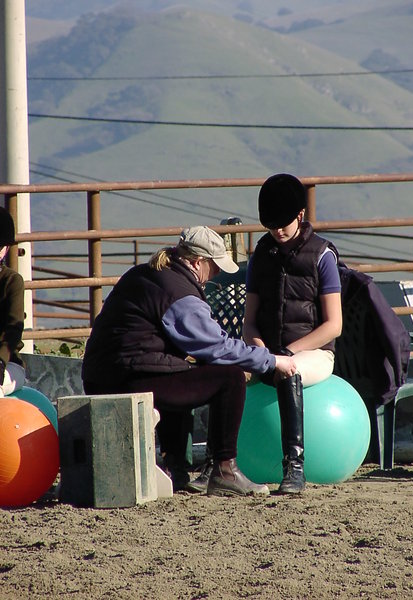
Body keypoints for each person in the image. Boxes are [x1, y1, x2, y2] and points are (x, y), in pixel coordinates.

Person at [82, 225, 297, 497]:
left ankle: (176, 468)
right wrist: (272, 361)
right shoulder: (179, 293)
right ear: (197, 262)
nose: (216, 274)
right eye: (214, 267)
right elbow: (217, 347)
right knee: (229, 377)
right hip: (128, 380)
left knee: (180, 369)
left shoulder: (147, 273)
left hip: (102, 376)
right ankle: (225, 470)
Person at [243, 173, 343, 494]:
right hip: (267, 352)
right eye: (270, 225)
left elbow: (333, 325)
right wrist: (262, 353)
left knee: (290, 371)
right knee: (226, 373)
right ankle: (218, 463)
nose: (277, 231)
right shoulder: (261, 256)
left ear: (300, 215)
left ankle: (294, 465)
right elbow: (249, 323)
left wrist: (287, 354)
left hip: (313, 354)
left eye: (283, 224)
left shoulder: (322, 255)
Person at [0, 207, 26, 397]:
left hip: (8, 363)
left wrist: (1, 360)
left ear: (6, 248)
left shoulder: (12, 281)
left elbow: (13, 330)